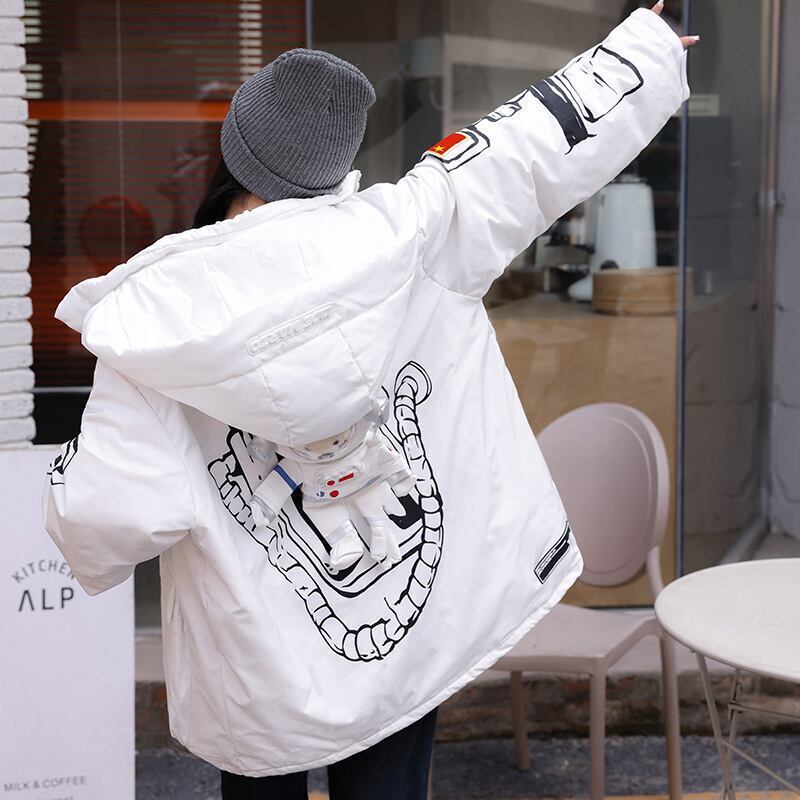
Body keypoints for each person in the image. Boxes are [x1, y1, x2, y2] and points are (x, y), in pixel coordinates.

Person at [42, 3, 697, 798]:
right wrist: (641, 50)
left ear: (233, 155)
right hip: (400, 643)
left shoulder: (152, 323)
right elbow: (528, 147)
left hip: (256, 663)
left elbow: (101, 518)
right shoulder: (412, 228)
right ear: (335, 161)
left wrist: (67, 479)